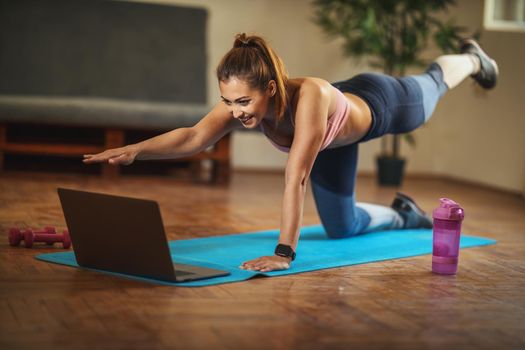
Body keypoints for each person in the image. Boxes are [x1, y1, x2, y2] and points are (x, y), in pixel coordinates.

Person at [83, 33, 498, 273]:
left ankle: (470, 59)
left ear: (269, 89)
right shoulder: (241, 101)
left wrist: (284, 253)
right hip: (334, 141)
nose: (234, 111)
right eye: (228, 102)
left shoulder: (310, 95)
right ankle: (405, 214)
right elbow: (194, 137)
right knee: (343, 227)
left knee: (432, 85)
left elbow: (295, 177)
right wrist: (135, 150)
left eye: (242, 103)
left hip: (383, 105)